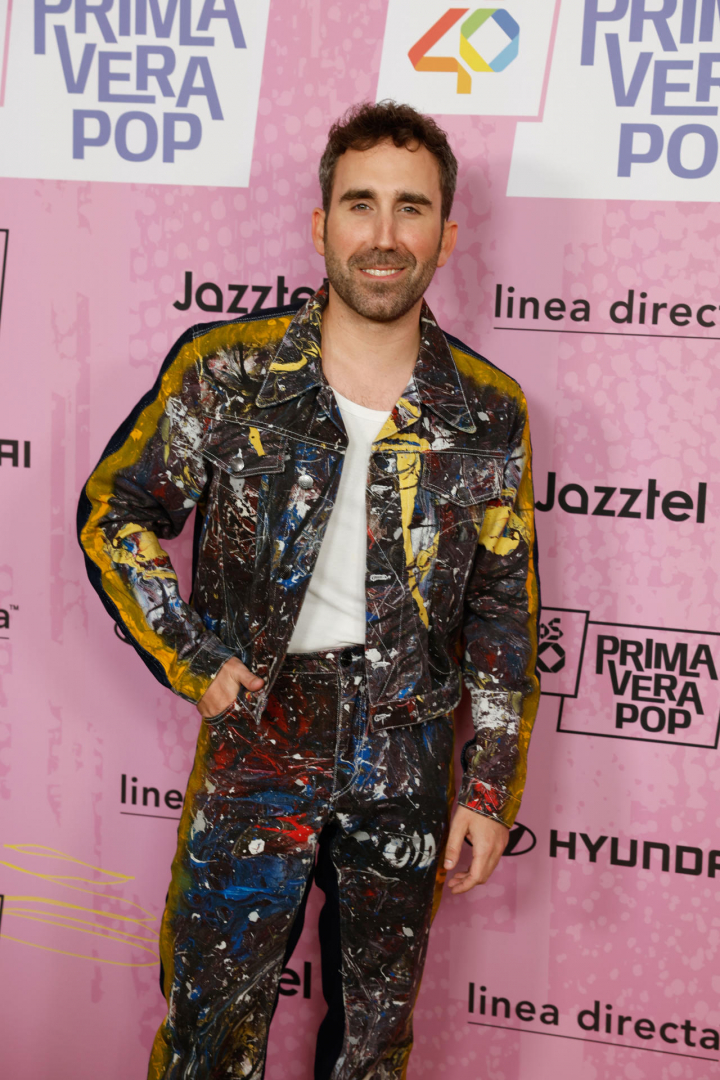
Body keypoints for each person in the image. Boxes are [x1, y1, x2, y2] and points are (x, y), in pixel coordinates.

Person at [78, 100, 539, 1080]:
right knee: (209, 1035)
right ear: (320, 224)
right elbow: (116, 513)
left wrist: (489, 786)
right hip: (259, 733)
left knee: (373, 1045)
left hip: (408, 750)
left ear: (447, 234)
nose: (384, 235)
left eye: (411, 207)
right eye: (360, 204)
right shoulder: (229, 373)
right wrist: (192, 656)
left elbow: (502, 609)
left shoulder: (487, 412)